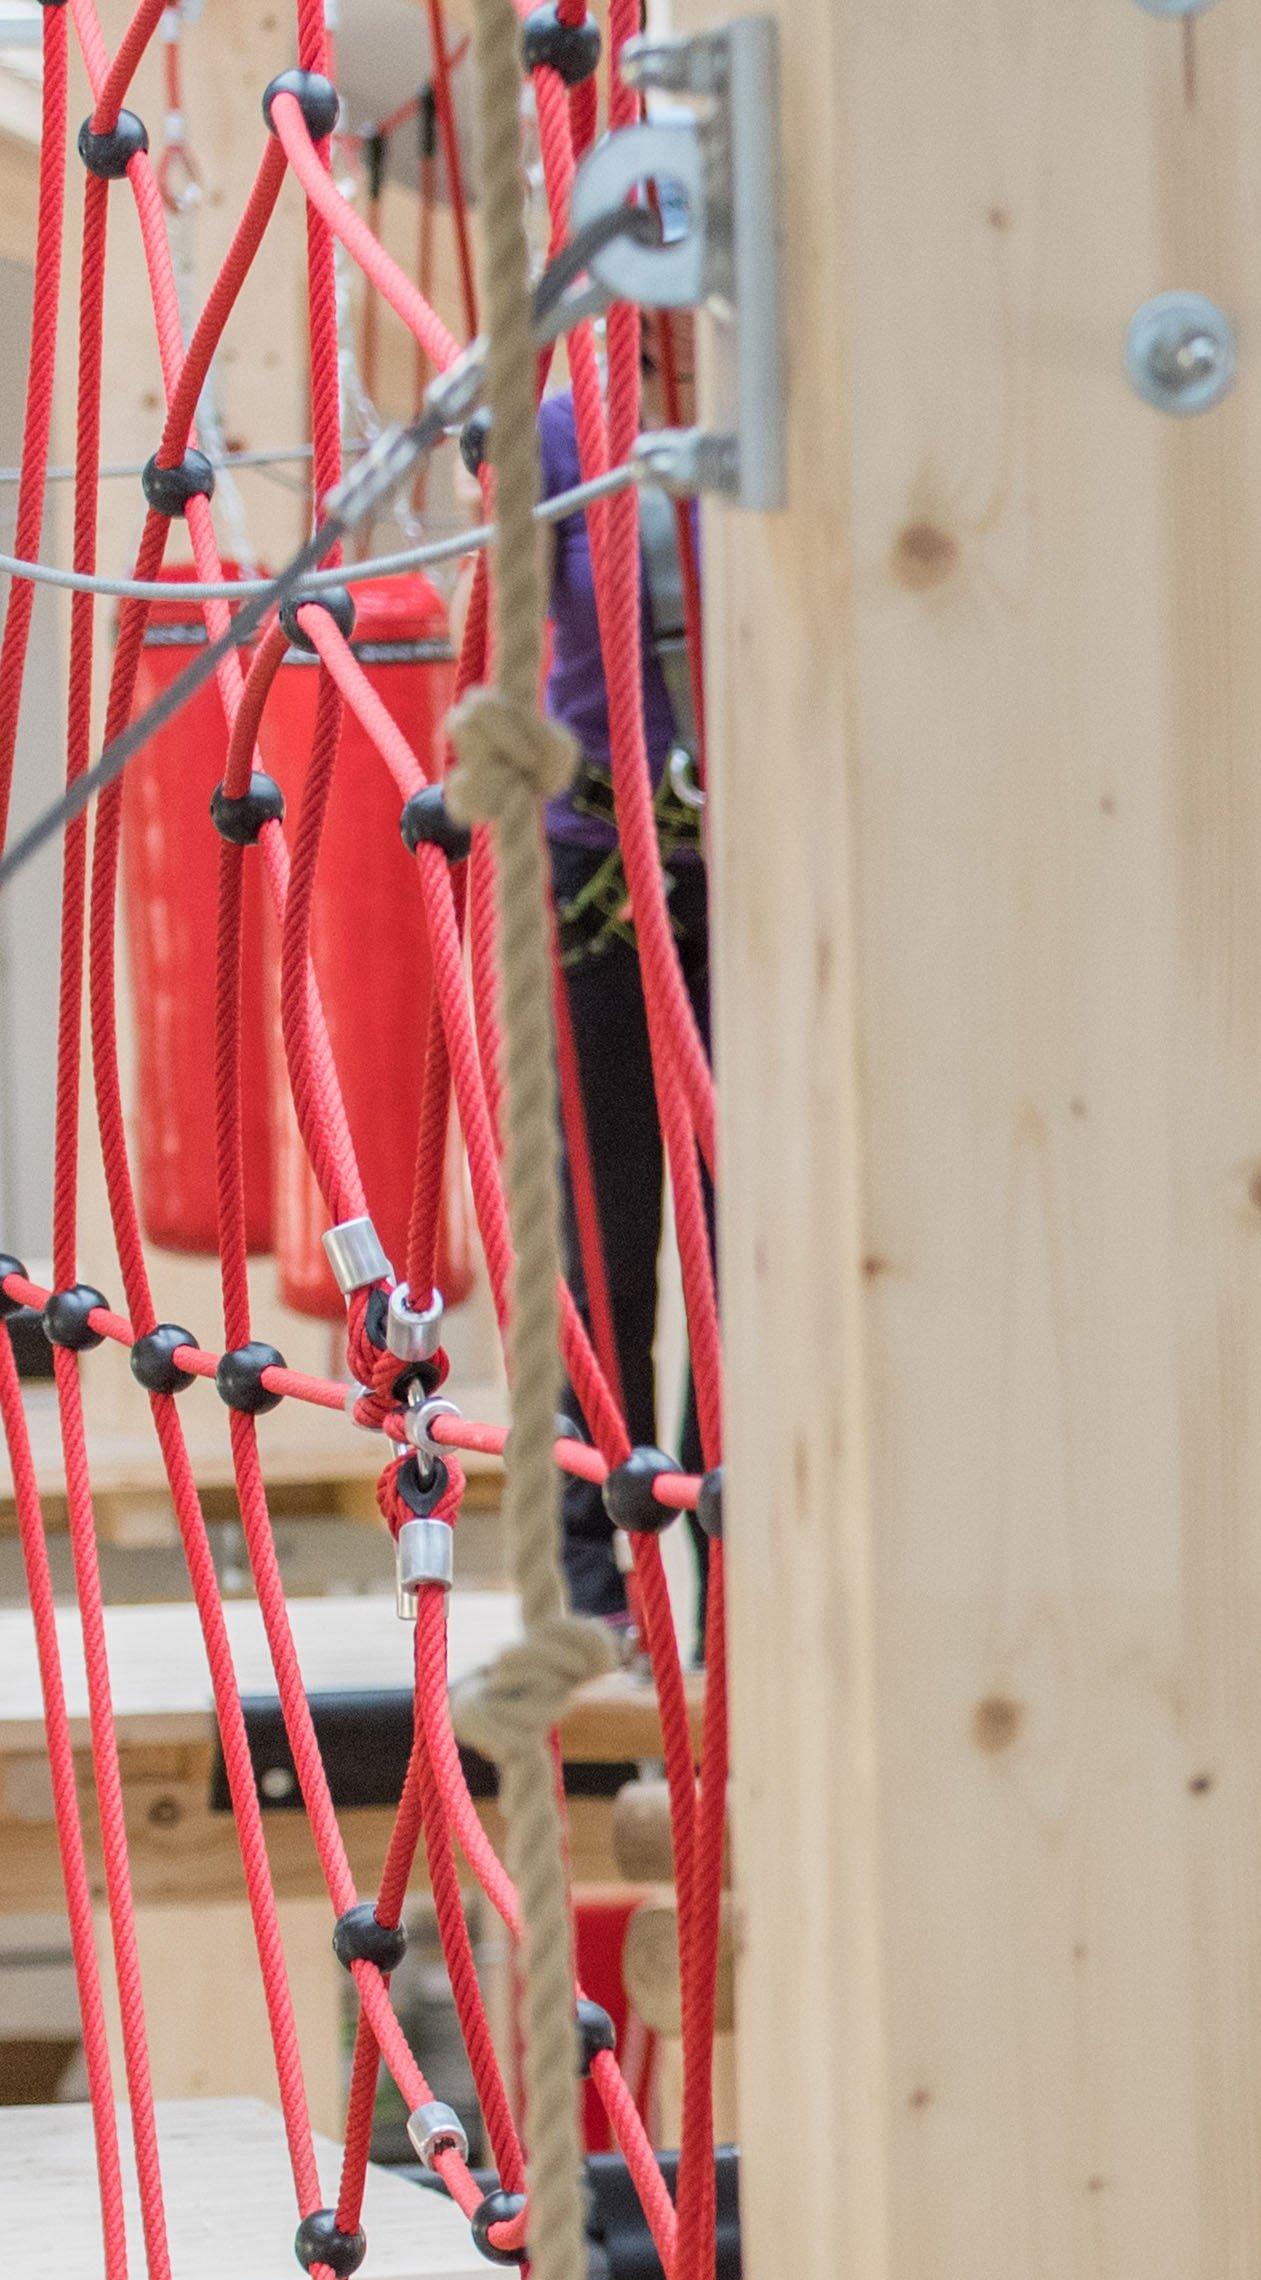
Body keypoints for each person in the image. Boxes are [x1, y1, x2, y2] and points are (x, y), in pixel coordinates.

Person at [535, 378, 705, 1634]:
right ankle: (602, 1589)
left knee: (736, 1248)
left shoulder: (788, 382)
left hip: (740, 859)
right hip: (605, 852)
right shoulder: (558, 428)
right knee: (611, 1233)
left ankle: (721, 1584)